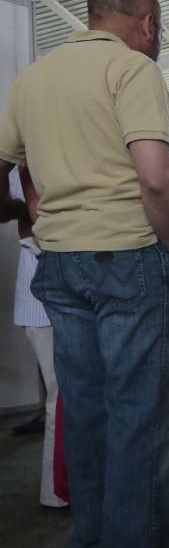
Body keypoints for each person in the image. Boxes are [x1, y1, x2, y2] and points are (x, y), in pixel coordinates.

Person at [0, 0, 169, 548]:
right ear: (146, 24)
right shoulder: (133, 69)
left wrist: (34, 215)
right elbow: (158, 179)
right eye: (158, 28)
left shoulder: (31, 80)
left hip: (59, 265)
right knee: (139, 422)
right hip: (132, 259)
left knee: (85, 418)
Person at [4, 167, 67, 508]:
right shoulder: (19, 159)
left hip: (64, 285)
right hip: (42, 287)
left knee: (68, 394)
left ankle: (68, 488)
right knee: (61, 396)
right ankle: (58, 492)